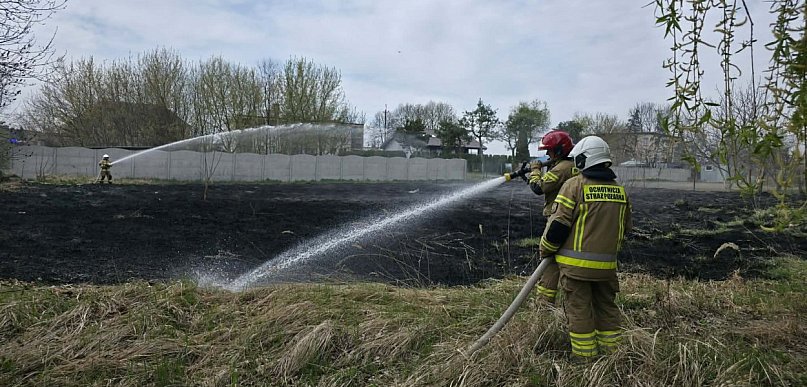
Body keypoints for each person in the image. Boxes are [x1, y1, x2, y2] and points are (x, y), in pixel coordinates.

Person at [538, 136, 632, 358]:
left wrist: (545, 249)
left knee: (579, 311)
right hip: (607, 269)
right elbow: (626, 228)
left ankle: (585, 359)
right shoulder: (620, 191)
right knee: (607, 310)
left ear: (583, 159)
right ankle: (612, 355)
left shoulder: (574, 186)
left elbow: (558, 227)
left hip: (576, 269)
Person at [529, 130, 577, 304]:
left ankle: (544, 303)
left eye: (549, 151)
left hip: (557, 218)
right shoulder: (572, 166)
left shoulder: (562, 169)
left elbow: (538, 187)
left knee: (549, 259)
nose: (547, 154)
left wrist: (535, 170)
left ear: (558, 150)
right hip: (573, 218)